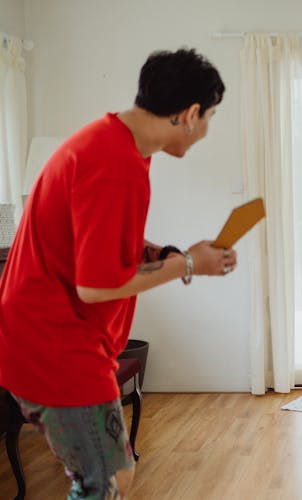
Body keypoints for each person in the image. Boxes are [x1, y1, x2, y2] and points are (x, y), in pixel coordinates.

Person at [0, 47, 234, 499]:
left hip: (56, 338)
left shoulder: (118, 145)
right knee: (106, 479)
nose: (206, 130)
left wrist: (165, 252)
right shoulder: (115, 163)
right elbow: (95, 286)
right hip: (52, 345)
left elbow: (101, 243)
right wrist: (187, 265)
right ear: (189, 114)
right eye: (210, 117)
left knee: (109, 475)